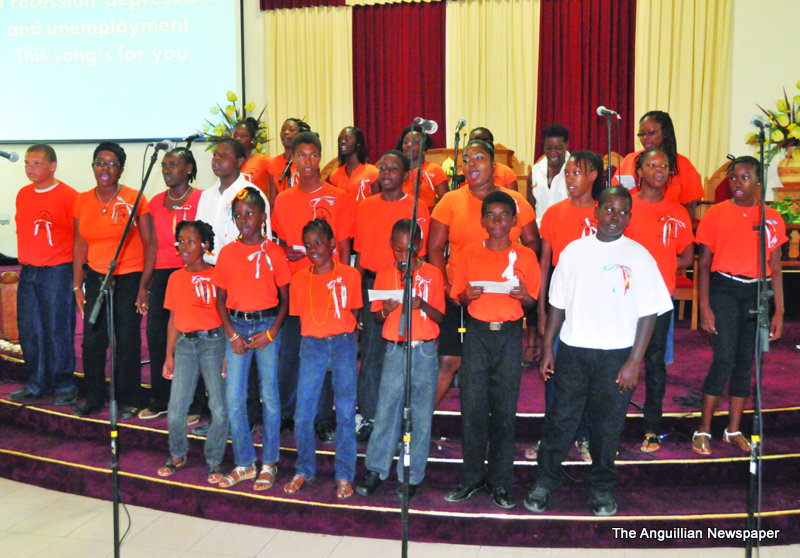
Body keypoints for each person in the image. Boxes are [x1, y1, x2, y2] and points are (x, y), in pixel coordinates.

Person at [525, 187, 672, 517]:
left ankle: (602, 487)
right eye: (609, 209)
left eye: (622, 212)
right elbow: (557, 305)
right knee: (561, 419)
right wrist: (548, 347)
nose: (614, 217)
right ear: (597, 212)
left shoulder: (639, 256)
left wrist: (634, 360)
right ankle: (545, 481)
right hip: (575, 350)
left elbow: (651, 312)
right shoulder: (574, 252)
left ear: (629, 217)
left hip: (617, 355)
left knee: (608, 426)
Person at [444, 191, 540, 510]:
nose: (498, 222)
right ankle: (471, 478)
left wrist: (524, 295)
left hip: (509, 335)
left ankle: (500, 481)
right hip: (477, 335)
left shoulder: (525, 256)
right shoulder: (469, 254)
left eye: (504, 216)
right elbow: (458, 296)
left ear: (514, 221)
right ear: (483, 220)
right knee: (472, 408)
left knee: (503, 410)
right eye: (491, 216)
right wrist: (467, 296)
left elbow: (532, 302)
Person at [428, 139, 539, 408]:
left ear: (493, 165)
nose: (471, 164)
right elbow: (434, 247)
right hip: (460, 294)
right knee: (449, 360)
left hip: (503, 300)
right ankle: (423, 425)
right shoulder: (450, 201)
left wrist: (522, 276)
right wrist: (446, 287)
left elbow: (533, 241)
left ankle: (491, 423)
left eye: (478, 157)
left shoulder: (514, 201)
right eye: (466, 159)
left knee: (497, 368)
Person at [692, 156, 785, 456]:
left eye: (744, 177)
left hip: (756, 292)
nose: (737, 183)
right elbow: (703, 264)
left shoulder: (772, 217)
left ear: (758, 181)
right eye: (733, 177)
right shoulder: (716, 214)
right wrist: (704, 306)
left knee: (746, 361)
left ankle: (733, 429)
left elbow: (777, 266)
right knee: (724, 356)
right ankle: (703, 428)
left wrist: (779, 310)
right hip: (724, 289)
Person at [271, 131, 355, 438]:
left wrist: (341, 285)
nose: (307, 161)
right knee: (292, 353)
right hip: (295, 286)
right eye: (300, 155)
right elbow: (278, 243)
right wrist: (285, 251)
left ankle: (323, 418)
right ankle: (290, 413)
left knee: (324, 356)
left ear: (321, 158)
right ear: (291, 159)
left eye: (313, 155)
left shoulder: (339, 197)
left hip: (328, 288)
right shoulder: (282, 200)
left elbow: (343, 246)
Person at [355, 219, 444, 500]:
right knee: (387, 410)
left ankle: (411, 475)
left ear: (418, 246)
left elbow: (441, 316)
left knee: (419, 414)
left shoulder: (432, 274)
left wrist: (423, 305)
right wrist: (388, 309)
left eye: (408, 250)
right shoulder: (383, 275)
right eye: (397, 250)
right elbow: (377, 315)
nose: (402, 256)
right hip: (394, 348)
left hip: (424, 349)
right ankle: (376, 469)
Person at [527, 150, 605, 462]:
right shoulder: (555, 213)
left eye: (577, 172)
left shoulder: (604, 212)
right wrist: (542, 311)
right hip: (561, 296)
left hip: (595, 300)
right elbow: (545, 264)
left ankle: (584, 436)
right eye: (568, 173)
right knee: (554, 371)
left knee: (587, 372)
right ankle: (552, 437)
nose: (570, 178)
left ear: (594, 176)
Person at [213, 187, 291, 489]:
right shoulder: (228, 253)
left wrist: (271, 334)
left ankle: (269, 462)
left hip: (267, 325)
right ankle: (245, 462)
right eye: (238, 215)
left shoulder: (274, 252)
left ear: (262, 217)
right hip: (236, 327)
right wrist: (231, 334)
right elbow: (220, 300)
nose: (243, 220)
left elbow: (285, 300)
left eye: (249, 214)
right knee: (234, 398)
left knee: (270, 396)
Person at [72, 142, 156, 418]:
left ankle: (129, 398)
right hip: (97, 277)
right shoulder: (82, 201)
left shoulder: (134, 198)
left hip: (129, 277)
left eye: (111, 163)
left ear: (121, 170)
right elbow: (79, 245)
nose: (104, 168)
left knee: (128, 339)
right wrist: (77, 285)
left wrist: (144, 286)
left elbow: (150, 244)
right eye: (99, 162)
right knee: (93, 341)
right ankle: (94, 396)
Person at [352, 150, 431, 443]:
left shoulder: (417, 207)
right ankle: (368, 416)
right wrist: (357, 302)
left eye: (393, 168)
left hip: (407, 283)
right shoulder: (366, 206)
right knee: (372, 353)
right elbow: (360, 255)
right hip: (374, 285)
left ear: (406, 176)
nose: (386, 173)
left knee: (401, 355)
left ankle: (400, 418)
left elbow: (420, 253)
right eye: (382, 168)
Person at [284, 219, 362, 499]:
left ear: (331, 244)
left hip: (342, 344)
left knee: (344, 413)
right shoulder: (299, 279)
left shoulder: (350, 275)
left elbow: (356, 312)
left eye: (318, 243)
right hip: (312, 347)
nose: (313, 249)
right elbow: (299, 317)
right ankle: (304, 468)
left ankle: (344, 475)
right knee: (303, 413)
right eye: (308, 245)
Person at [623, 148, 694, 453]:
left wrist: (660, 266)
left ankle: (651, 428)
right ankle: (612, 426)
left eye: (663, 166)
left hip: (658, 300)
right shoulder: (626, 205)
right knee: (619, 362)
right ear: (639, 171)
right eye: (651, 165)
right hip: (624, 298)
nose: (658, 170)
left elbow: (688, 255)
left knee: (654, 363)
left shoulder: (677, 211)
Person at [157, 220, 228, 484]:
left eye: (190, 241)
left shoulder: (218, 274)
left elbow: (226, 313)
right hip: (185, 345)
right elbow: (173, 318)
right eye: (181, 241)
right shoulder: (175, 278)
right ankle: (177, 454)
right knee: (176, 409)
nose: (183, 245)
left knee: (219, 409)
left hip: (214, 342)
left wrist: (226, 355)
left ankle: (214, 460)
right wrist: (168, 355)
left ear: (205, 245)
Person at [139, 148, 203, 422]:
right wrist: (144, 284)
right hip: (164, 275)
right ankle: (160, 398)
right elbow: (152, 245)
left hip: (191, 274)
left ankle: (196, 403)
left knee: (191, 338)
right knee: (157, 336)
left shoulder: (202, 199)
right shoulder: (155, 202)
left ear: (188, 168)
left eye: (173, 165)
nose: (167, 170)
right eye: (164, 166)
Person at [11, 144, 79, 406]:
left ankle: (64, 383)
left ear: (52, 166)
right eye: (27, 163)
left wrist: (76, 278)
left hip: (57, 272)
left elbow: (78, 239)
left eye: (37, 163)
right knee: (29, 329)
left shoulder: (69, 196)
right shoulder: (23, 194)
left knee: (57, 330)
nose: (30, 168)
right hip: (28, 270)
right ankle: (37, 382)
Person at [614, 111, 704, 220]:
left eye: (651, 133)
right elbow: (614, 194)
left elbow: (689, 206)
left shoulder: (682, 164)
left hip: (667, 226)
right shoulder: (630, 160)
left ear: (665, 133)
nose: (645, 137)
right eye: (641, 134)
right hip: (632, 223)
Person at [196, 138, 271, 266]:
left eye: (225, 156)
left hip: (242, 269)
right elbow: (198, 235)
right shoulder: (206, 195)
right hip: (209, 269)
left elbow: (264, 240)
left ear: (240, 162)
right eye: (215, 155)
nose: (217, 159)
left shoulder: (252, 195)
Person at [396, 124, 448, 210]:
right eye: (405, 142)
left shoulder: (434, 169)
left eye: (414, 142)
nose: (409, 145)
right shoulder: (397, 171)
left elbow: (446, 203)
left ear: (424, 146)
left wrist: (424, 212)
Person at [529, 123, 570, 226]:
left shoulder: (576, 170)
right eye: (548, 148)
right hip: (541, 230)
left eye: (558, 148)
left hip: (566, 230)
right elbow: (530, 205)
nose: (553, 153)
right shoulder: (535, 171)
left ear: (566, 145)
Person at [328, 126, 379, 203]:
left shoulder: (372, 173)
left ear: (358, 143)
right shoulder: (335, 175)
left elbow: (377, 204)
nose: (342, 142)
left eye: (347, 138)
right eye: (340, 140)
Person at [267, 117, 311, 205]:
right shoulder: (274, 162)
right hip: (282, 211)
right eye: (283, 130)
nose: (286, 133)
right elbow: (272, 197)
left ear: (300, 134)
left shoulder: (308, 161)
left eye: (291, 130)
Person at [234, 117, 271, 196]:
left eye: (243, 135)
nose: (238, 139)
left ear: (252, 140)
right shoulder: (231, 163)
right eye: (235, 135)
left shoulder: (264, 160)